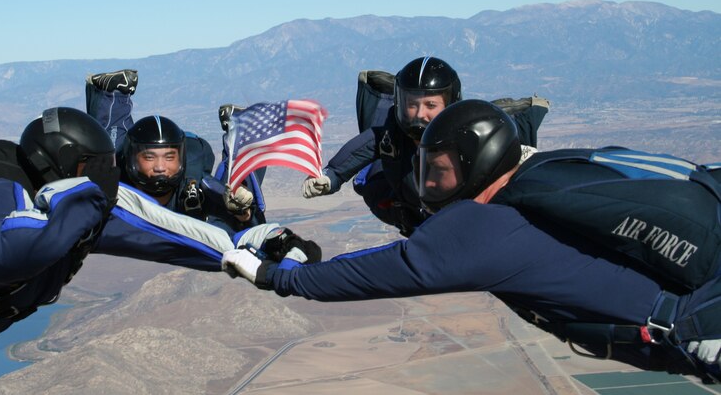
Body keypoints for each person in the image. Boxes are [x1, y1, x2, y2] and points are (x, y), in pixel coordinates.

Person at [224, 100, 721, 382]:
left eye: (439, 171)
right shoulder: (549, 171)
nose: (427, 187)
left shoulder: (485, 229)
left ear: (476, 163)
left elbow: (379, 271)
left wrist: (276, 277)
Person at [0, 107, 318, 362]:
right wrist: (82, 199)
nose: (104, 178)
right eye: (93, 168)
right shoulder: (4, 194)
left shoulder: (74, 207)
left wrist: (266, 248)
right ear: (63, 166)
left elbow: (170, 233)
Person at [300, 56, 549, 236]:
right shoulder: (391, 135)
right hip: (403, 209)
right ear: (399, 101)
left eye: (431, 105)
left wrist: (517, 160)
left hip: (448, 218)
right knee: (369, 181)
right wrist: (331, 176)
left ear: (449, 104)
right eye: (412, 104)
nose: (420, 114)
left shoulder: (468, 140)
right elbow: (366, 145)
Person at [85, 69, 266, 231]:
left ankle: (244, 132)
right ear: (133, 158)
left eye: (169, 157)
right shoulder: (119, 176)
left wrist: (244, 212)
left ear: (180, 159)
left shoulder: (195, 183)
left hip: (192, 150)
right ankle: (113, 91)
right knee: (110, 151)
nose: (160, 167)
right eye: (149, 157)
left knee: (234, 196)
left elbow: (250, 224)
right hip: (131, 155)